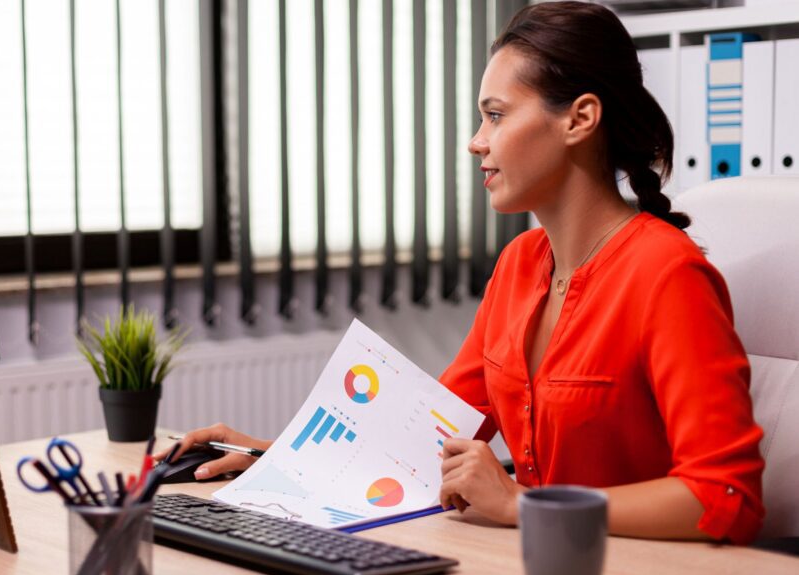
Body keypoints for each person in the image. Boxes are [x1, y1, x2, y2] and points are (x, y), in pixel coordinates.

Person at [159, 2, 764, 544]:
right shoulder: (520, 266)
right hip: (534, 564)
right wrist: (267, 453)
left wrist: (526, 507)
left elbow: (724, 498)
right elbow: (427, 436)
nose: (477, 142)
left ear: (579, 119)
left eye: (496, 116)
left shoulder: (667, 274)